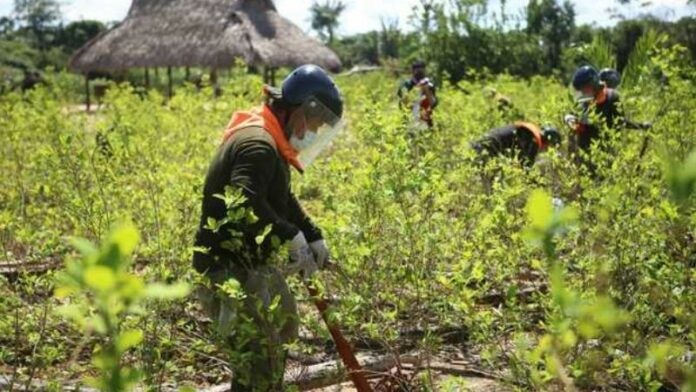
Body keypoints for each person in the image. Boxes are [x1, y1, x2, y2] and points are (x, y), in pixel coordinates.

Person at [192, 64, 343, 391]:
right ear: (300, 110)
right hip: (226, 266)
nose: (311, 134)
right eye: (313, 124)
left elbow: (281, 197)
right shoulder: (258, 144)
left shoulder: (269, 139)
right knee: (257, 353)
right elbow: (243, 201)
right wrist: (289, 236)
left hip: (248, 261)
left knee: (281, 329)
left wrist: (312, 234)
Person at [565, 65, 649, 175]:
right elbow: (572, 116)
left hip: (606, 154)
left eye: (585, 88)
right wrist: (569, 119)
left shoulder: (612, 97)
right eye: (581, 89)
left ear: (593, 83)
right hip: (584, 156)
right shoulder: (584, 100)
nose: (583, 91)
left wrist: (640, 126)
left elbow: (620, 121)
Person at [471, 121, 562, 168]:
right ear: (548, 142)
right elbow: (525, 168)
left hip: (479, 143)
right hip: (484, 149)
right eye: (550, 147)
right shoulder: (532, 141)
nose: (546, 150)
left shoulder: (527, 133)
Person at [397, 60, 438, 128]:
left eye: (421, 71)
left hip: (426, 123)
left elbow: (433, 104)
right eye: (417, 71)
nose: (420, 74)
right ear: (413, 71)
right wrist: (417, 89)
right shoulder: (406, 85)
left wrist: (426, 89)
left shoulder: (429, 85)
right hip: (410, 123)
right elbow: (403, 105)